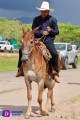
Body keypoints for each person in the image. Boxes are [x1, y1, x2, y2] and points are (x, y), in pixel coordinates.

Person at [16, 1, 60, 83]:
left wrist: (51, 31)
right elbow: (33, 31)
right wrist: (42, 32)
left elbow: (57, 31)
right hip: (36, 40)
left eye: (45, 11)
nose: (43, 12)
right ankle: (20, 69)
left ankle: (55, 73)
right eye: (42, 11)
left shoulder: (53, 20)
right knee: (20, 50)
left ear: (48, 11)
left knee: (54, 53)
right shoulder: (36, 19)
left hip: (48, 41)